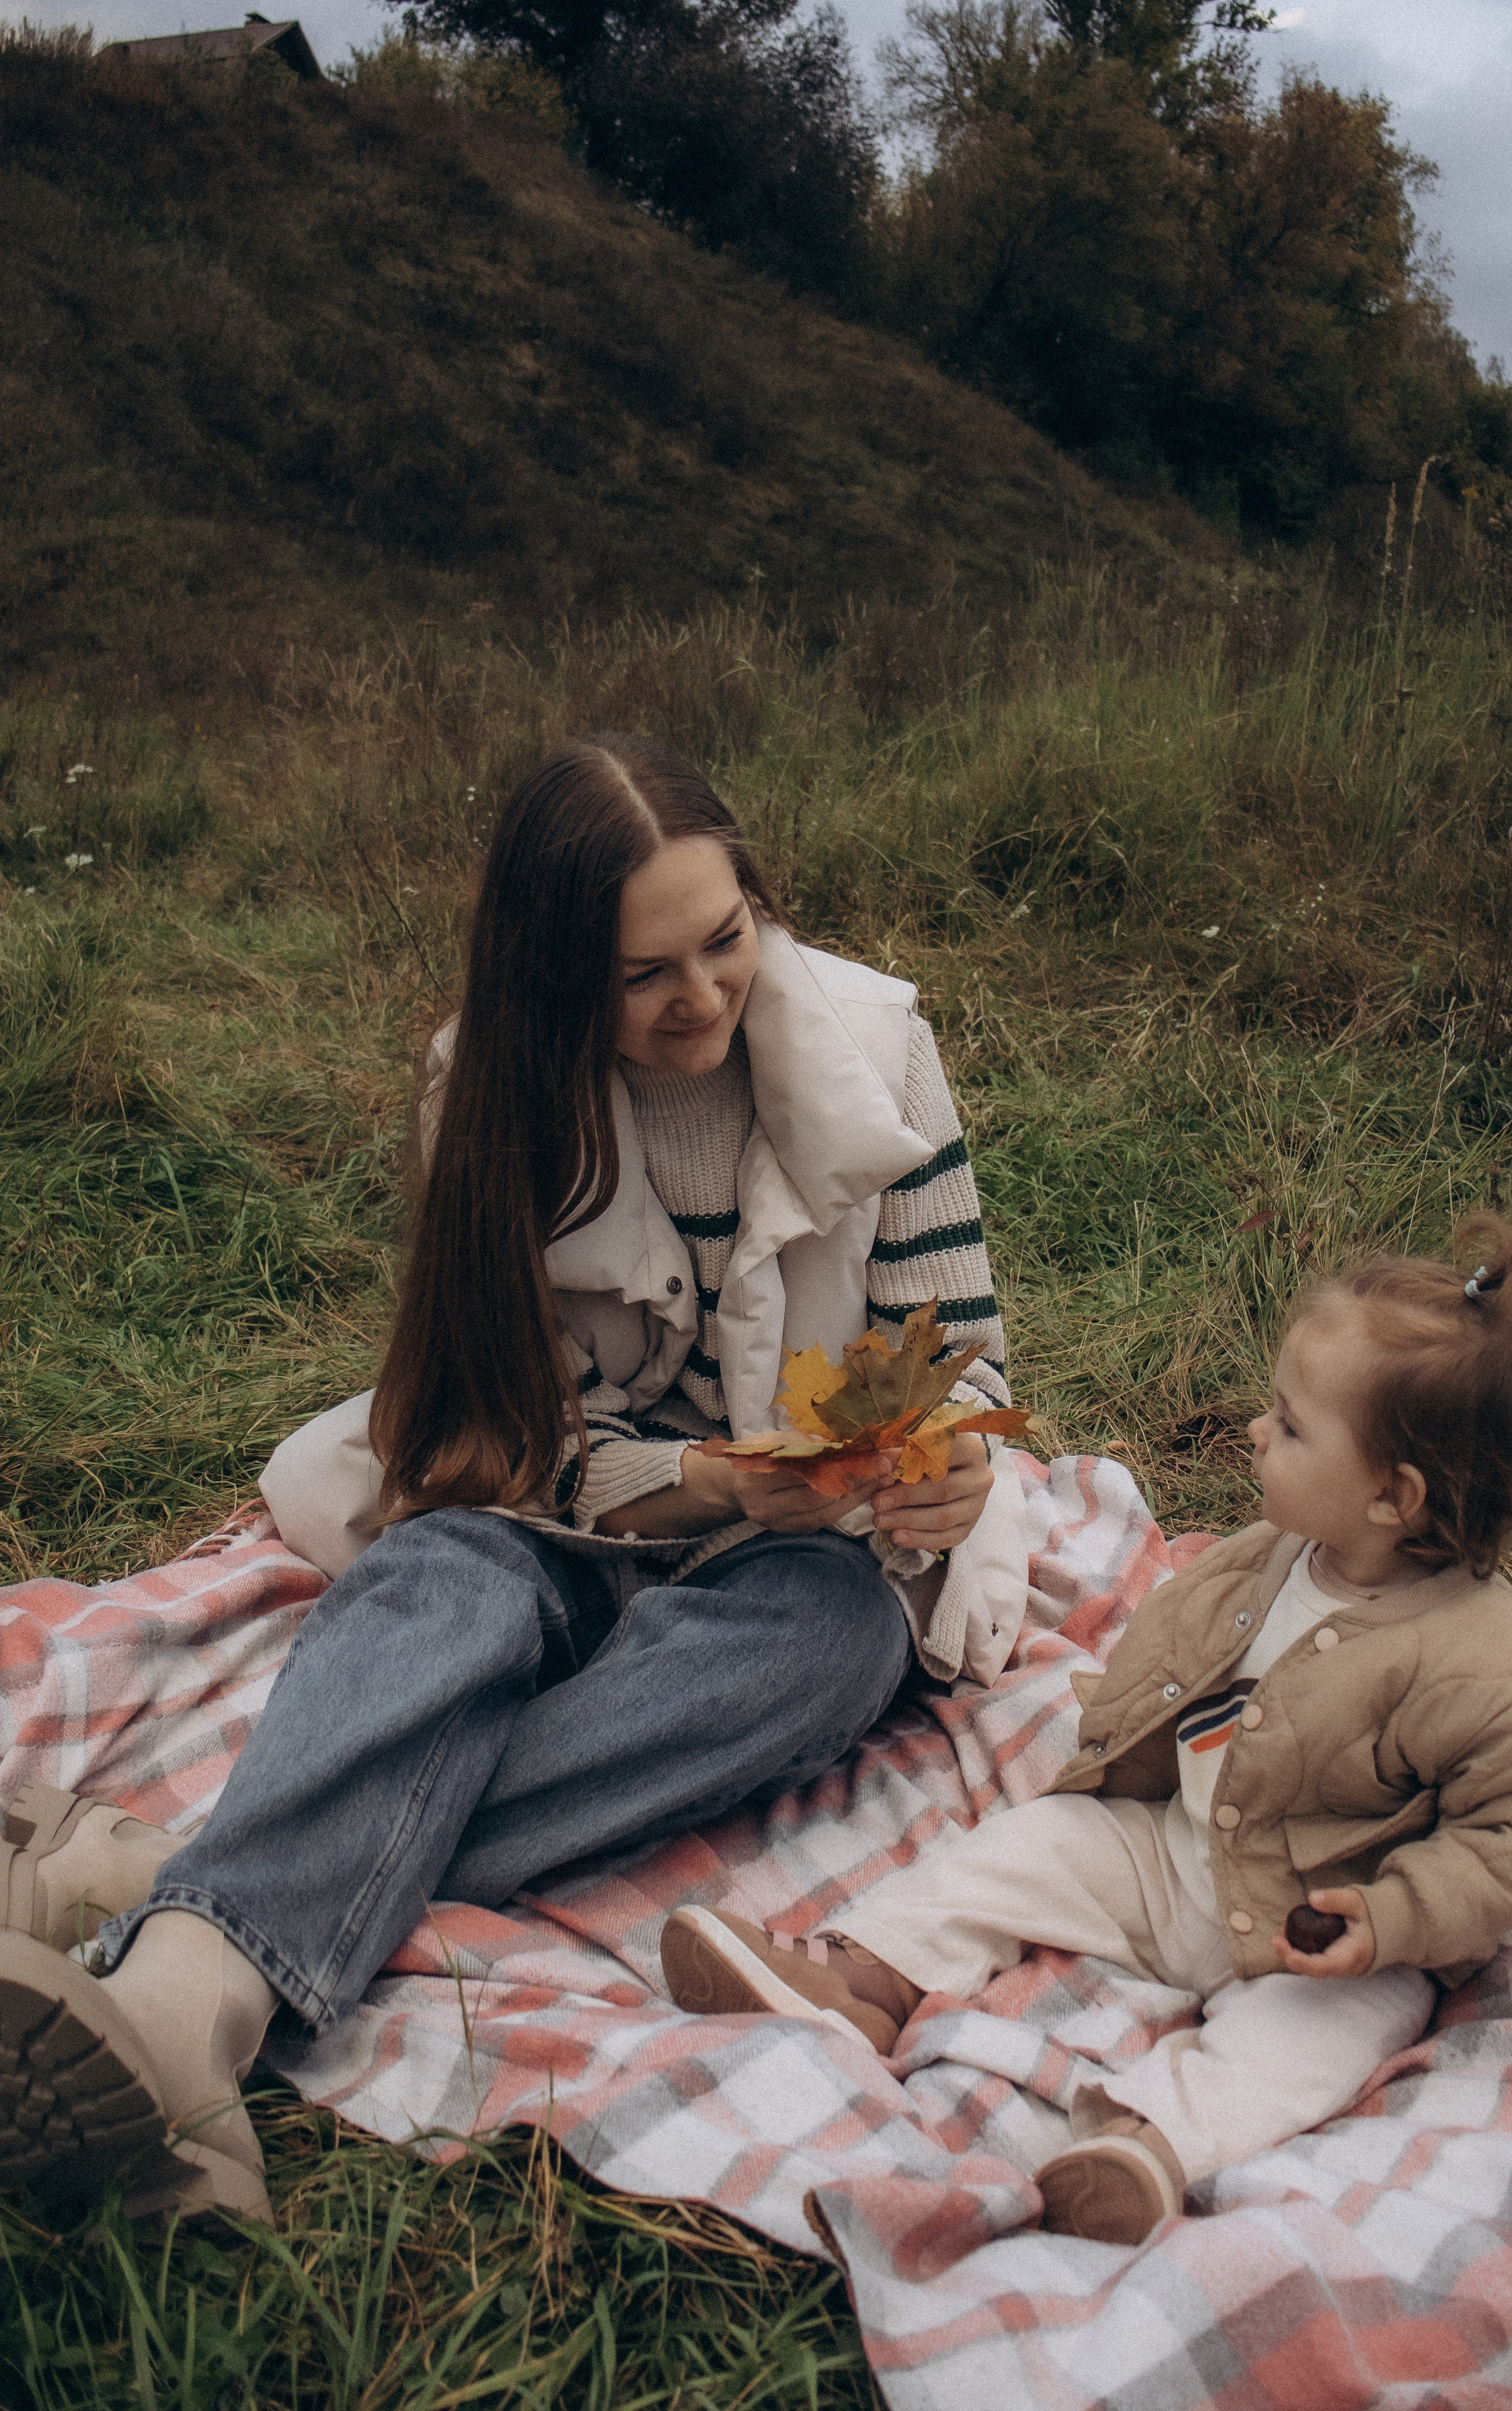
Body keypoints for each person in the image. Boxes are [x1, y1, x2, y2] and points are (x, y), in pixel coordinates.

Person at [0, 736, 1030, 2223]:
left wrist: (949, 1467)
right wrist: (702, 1477)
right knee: (439, 1579)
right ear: (552, 979)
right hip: (559, 1509)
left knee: (837, 1642)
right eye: (641, 975)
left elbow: (961, 1350)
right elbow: (505, 1426)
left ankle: (181, 1890)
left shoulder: (880, 1045)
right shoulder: (480, 1089)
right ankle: (186, 2019)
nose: (700, 998)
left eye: (724, 939)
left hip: (797, 1553)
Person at [661, 1214, 1512, 2246]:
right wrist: (1120, 1725)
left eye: (1291, 1427)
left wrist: (1390, 1920)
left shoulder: (1503, 1672)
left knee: (1319, 2041)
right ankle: (863, 1976)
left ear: (1393, 1495)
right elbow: (1174, 1643)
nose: (1257, 1431)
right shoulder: (1273, 1554)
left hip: (1317, 1936)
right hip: (1174, 1853)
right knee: (1030, 1848)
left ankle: (1150, 2146)